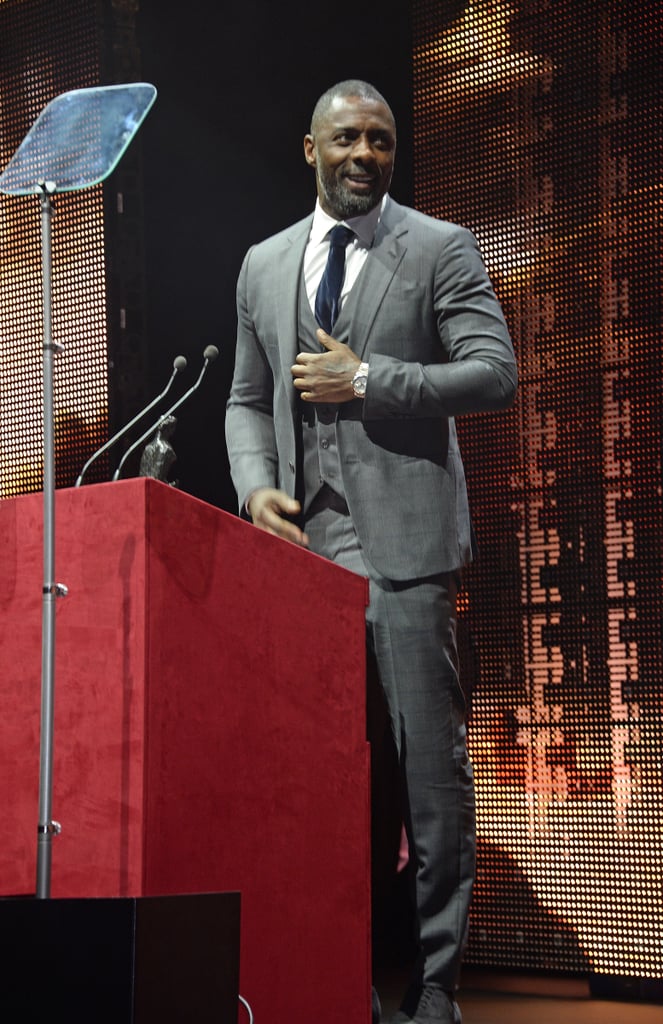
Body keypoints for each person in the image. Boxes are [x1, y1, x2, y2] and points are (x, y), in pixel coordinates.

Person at [225, 79, 517, 1024]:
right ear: (310, 149)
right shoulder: (263, 263)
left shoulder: (437, 247)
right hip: (304, 558)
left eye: (381, 142)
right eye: (347, 139)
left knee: (426, 778)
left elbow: (492, 371)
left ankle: (435, 989)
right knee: (326, 786)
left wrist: (370, 378)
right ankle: (336, 979)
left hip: (404, 551)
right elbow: (243, 397)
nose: (365, 155)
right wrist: (253, 481)